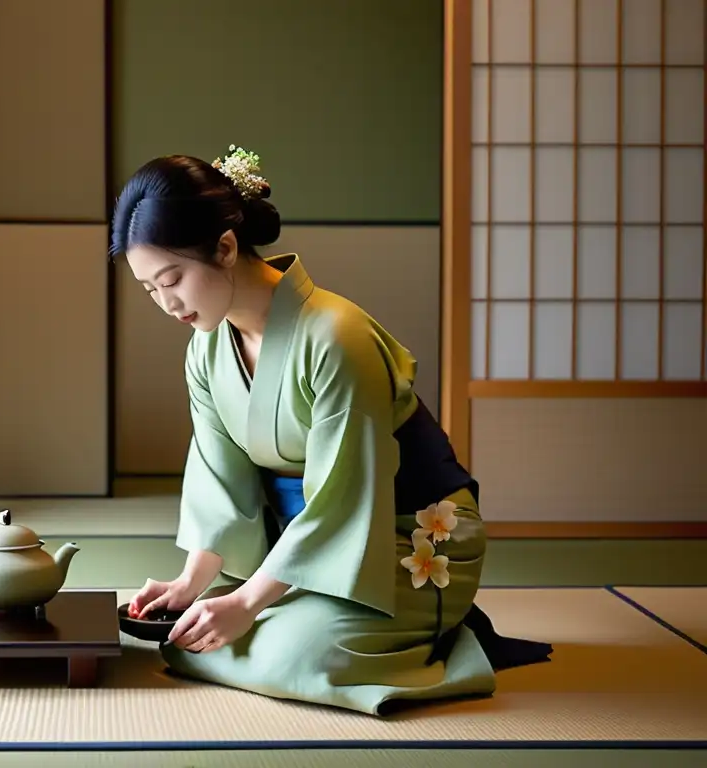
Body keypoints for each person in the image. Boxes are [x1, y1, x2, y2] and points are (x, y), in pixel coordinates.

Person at [110, 146, 551, 716]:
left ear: (223, 247)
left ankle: (445, 638)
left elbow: (346, 498)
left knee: (297, 655)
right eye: (150, 289)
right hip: (314, 545)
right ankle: (293, 609)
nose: (167, 304)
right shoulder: (207, 349)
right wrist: (192, 582)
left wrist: (246, 600)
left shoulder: (335, 337)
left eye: (172, 279)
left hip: (403, 534)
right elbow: (219, 477)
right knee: (190, 636)